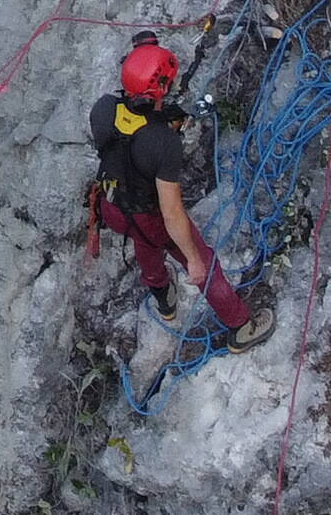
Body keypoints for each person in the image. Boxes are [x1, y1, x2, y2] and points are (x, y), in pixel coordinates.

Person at [87, 35, 263, 344]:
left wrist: (143, 55)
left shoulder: (103, 108)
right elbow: (172, 212)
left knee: (145, 246)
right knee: (203, 263)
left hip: (112, 208)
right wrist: (192, 258)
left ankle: (163, 296)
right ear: (161, 89)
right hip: (150, 218)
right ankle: (241, 327)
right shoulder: (163, 143)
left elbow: (128, 131)